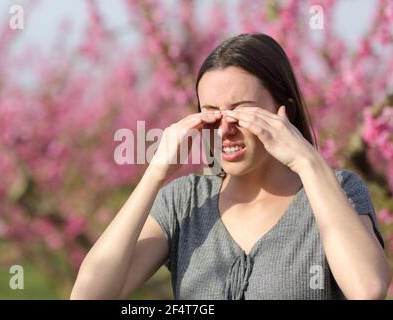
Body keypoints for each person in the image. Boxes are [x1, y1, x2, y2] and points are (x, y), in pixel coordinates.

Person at [70, 33, 391, 300]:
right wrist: (154, 175)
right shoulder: (184, 202)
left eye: (241, 112)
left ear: (285, 112)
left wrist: (307, 162)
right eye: (211, 113)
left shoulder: (337, 191)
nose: (225, 129)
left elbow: (369, 289)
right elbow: (90, 295)